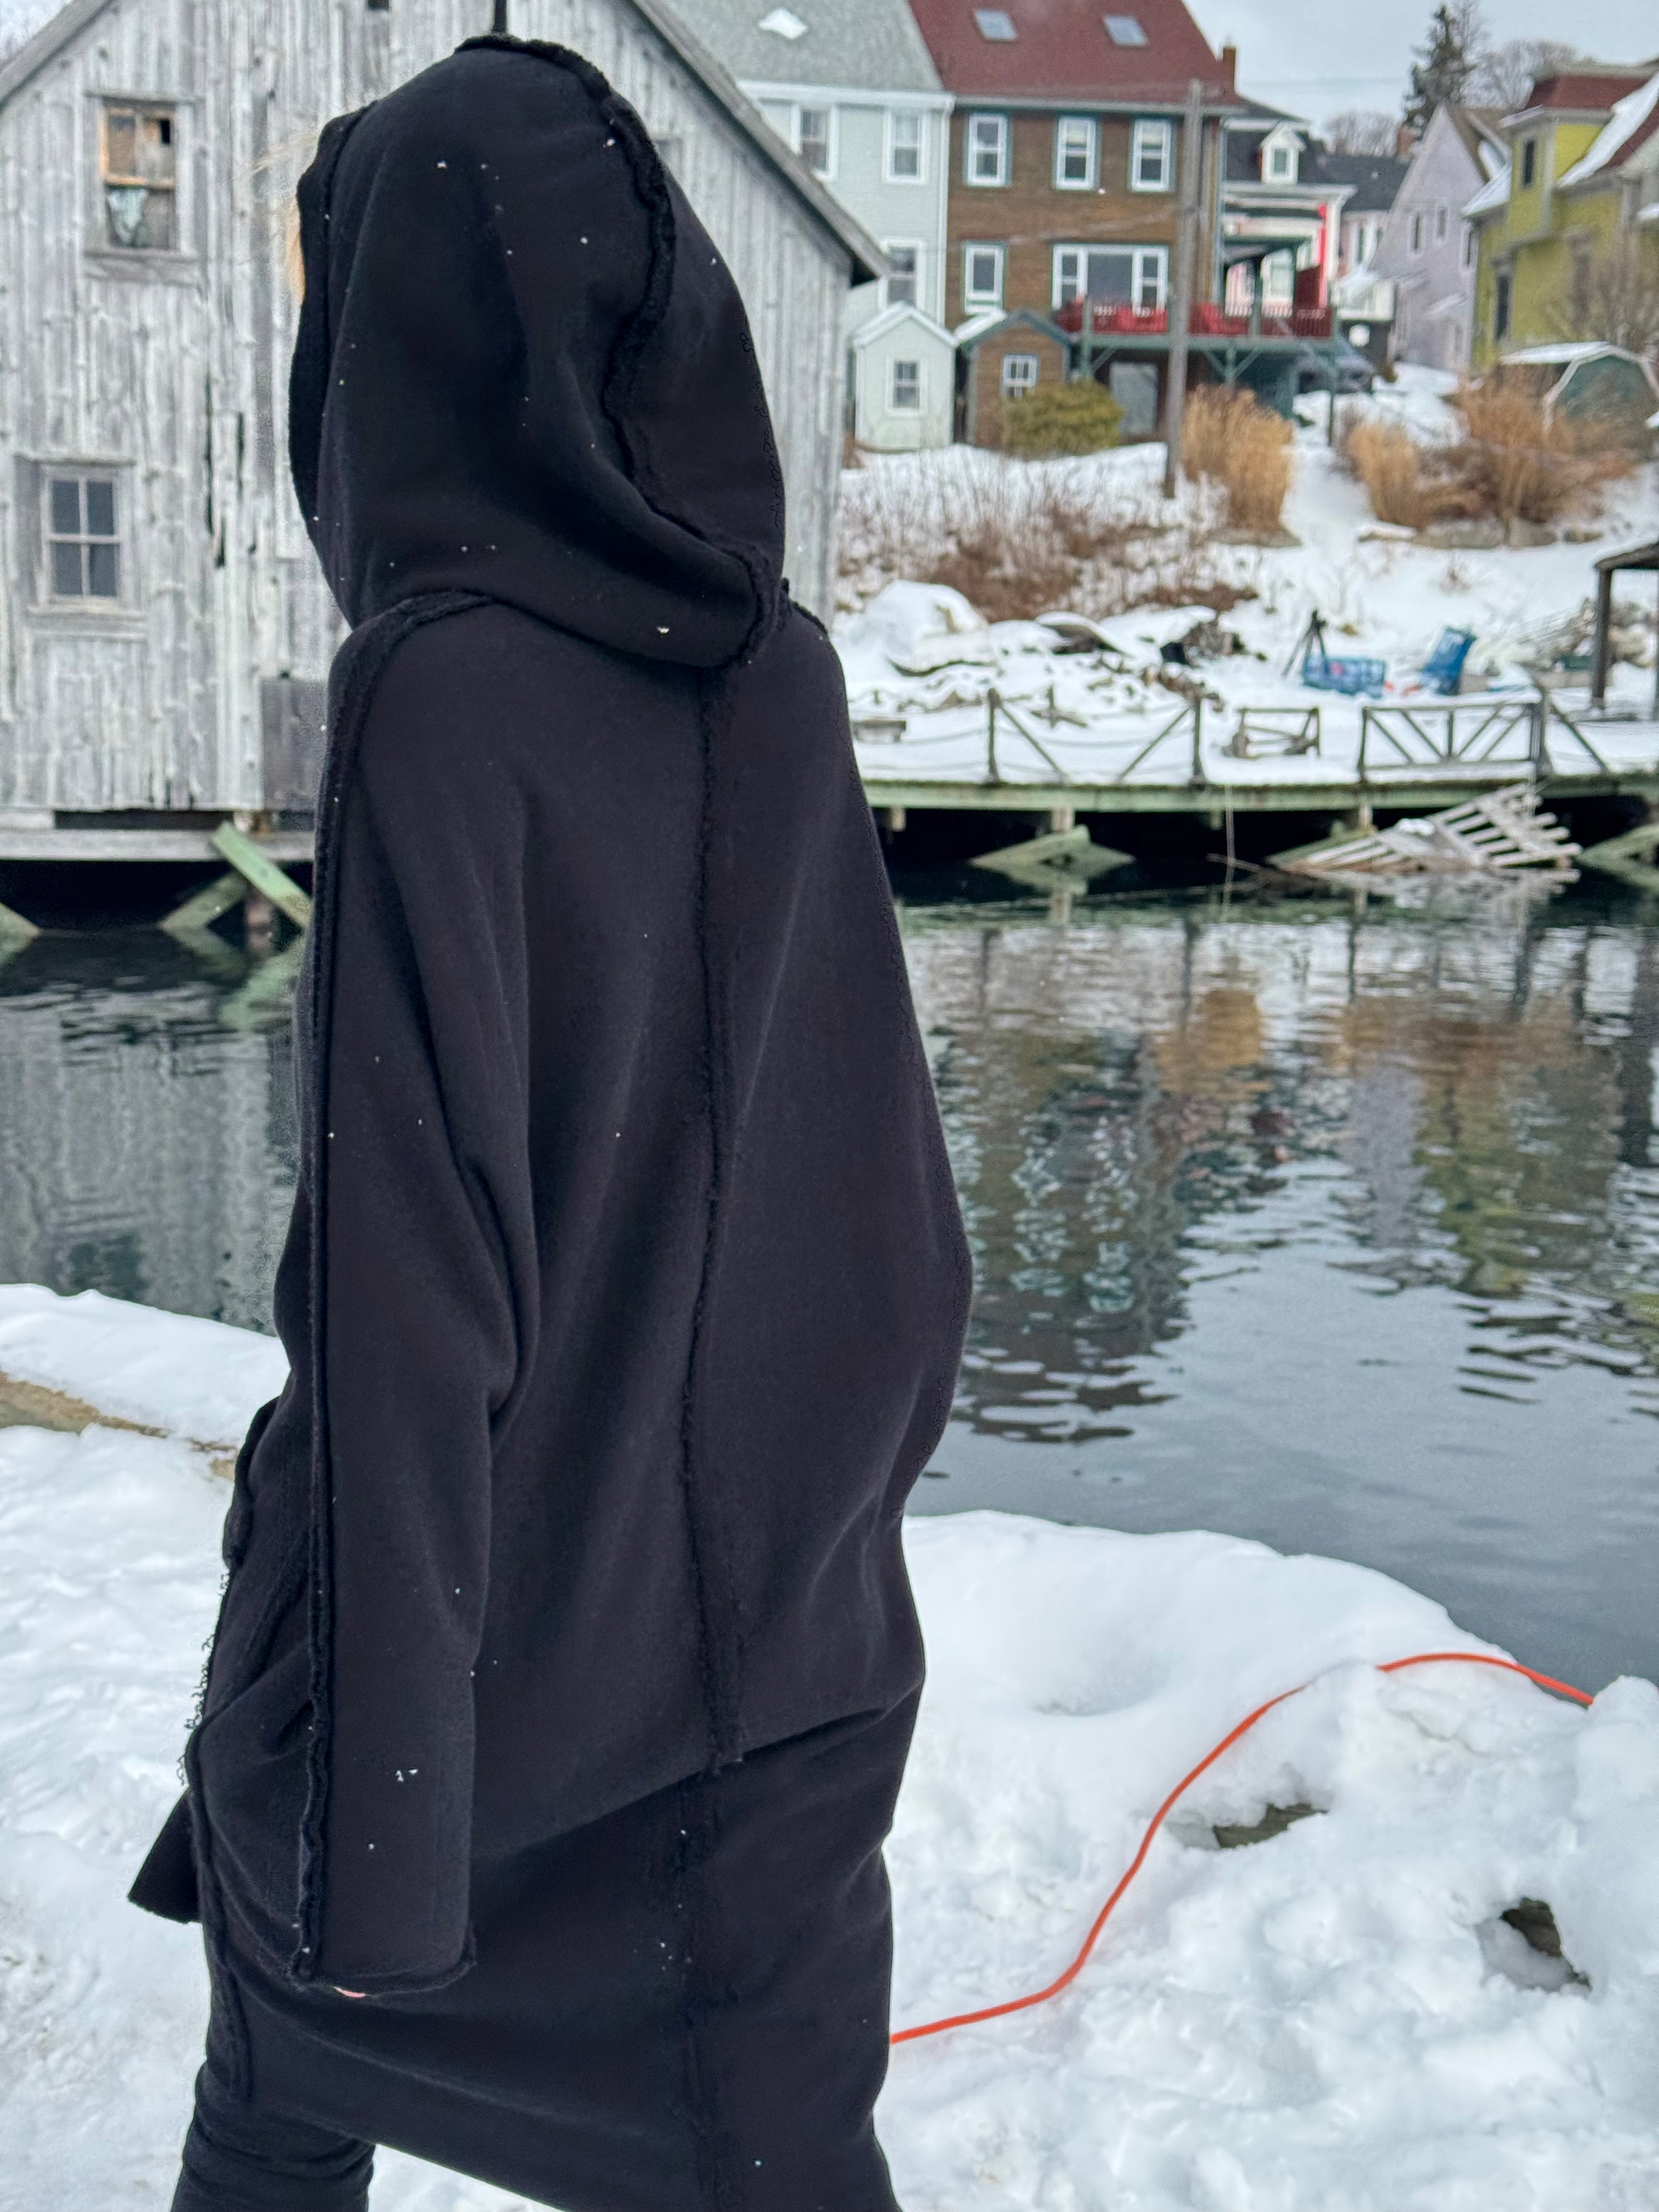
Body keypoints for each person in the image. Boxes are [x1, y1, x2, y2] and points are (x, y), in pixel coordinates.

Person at [127, 31, 971, 2212]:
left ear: (391, 351)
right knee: (773, 2154)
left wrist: (373, 1837)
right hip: (768, 1664)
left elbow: (411, 1293)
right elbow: (887, 1214)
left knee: (284, 2068)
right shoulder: (778, 669)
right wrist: (818, 1566)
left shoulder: (437, 689)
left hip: (471, 1663)